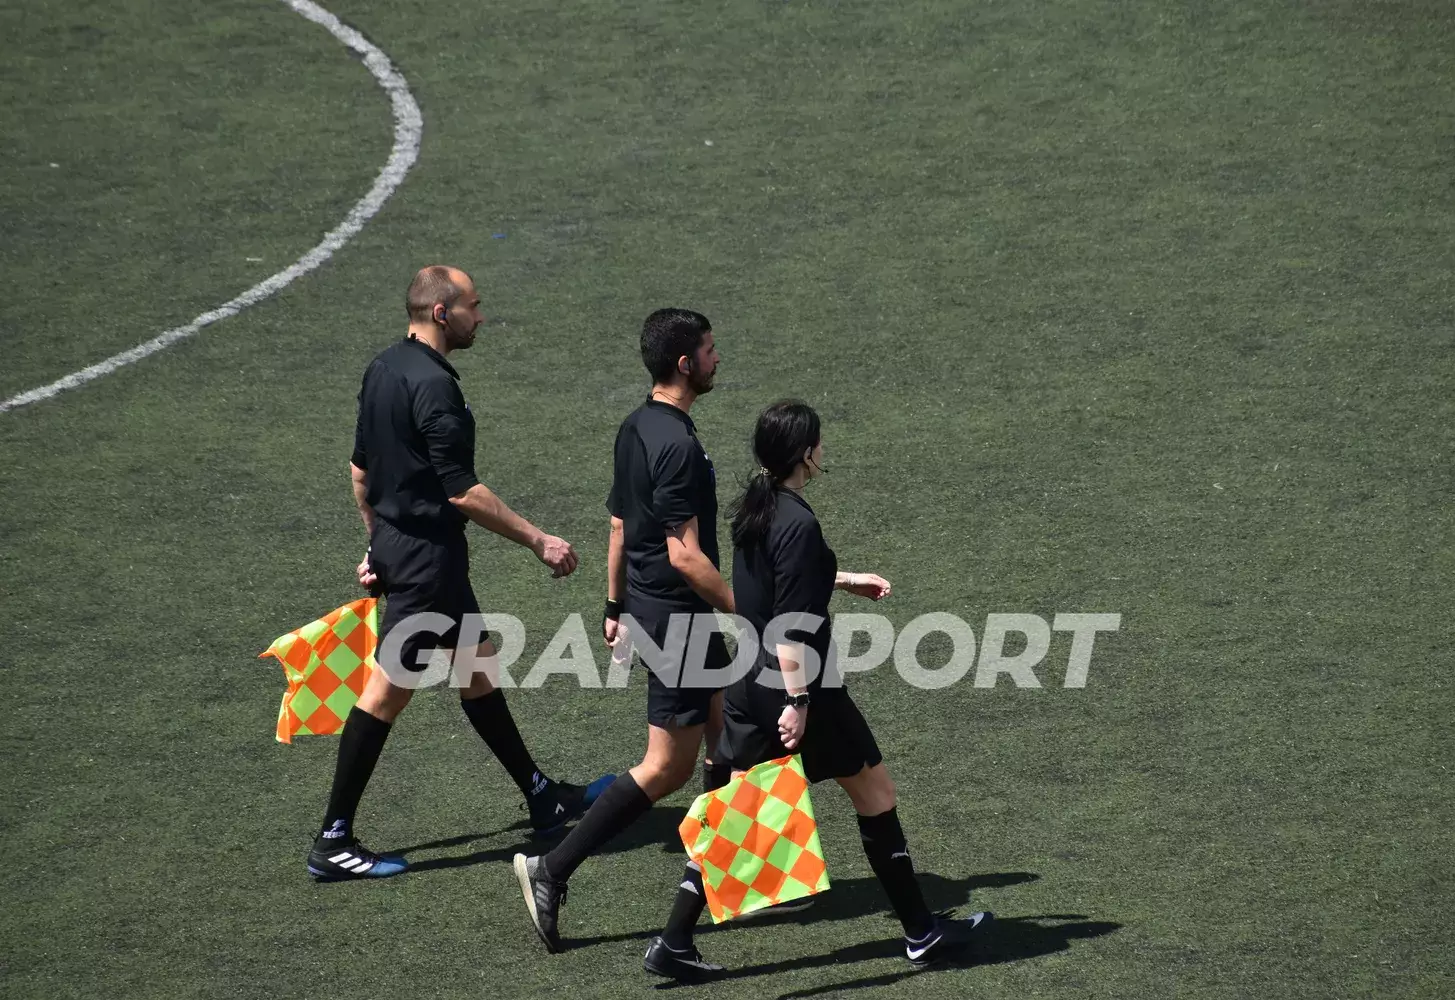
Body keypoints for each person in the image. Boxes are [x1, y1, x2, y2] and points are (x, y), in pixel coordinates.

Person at [640, 400, 992, 980]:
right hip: (804, 690)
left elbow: (771, 588)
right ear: (806, 454)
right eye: (819, 442)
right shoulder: (798, 523)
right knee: (875, 794)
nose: (823, 449)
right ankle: (921, 934)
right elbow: (790, 626)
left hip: (749, 683)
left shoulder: (754, 508)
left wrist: (845, 579)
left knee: (738, 814)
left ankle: (674, 941)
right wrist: (799, 702)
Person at [306, 265, 608, 881]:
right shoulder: (435, 387)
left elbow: (361, 472)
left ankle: (540, 796)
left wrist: (378, 546)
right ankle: (332, 839)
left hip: (409, 550)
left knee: (477, 668)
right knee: (388, 691)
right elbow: (462, 491)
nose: (481, 316)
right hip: (427, 560)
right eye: (474, 305)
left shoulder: (383, 367)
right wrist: (539, 540)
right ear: (442, 313)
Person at [512, 308, 734, 951]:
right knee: (666, 766)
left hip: (658, 609)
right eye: (710, 350)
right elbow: (684, 555)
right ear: (685, 364)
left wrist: (614, 605)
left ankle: (722, 870)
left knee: (728, 736)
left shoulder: (637, 425)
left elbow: (618, 524)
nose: (717, 358)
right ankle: (552, 869)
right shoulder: (678, 445)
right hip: (677, 616)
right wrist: (746, 608)